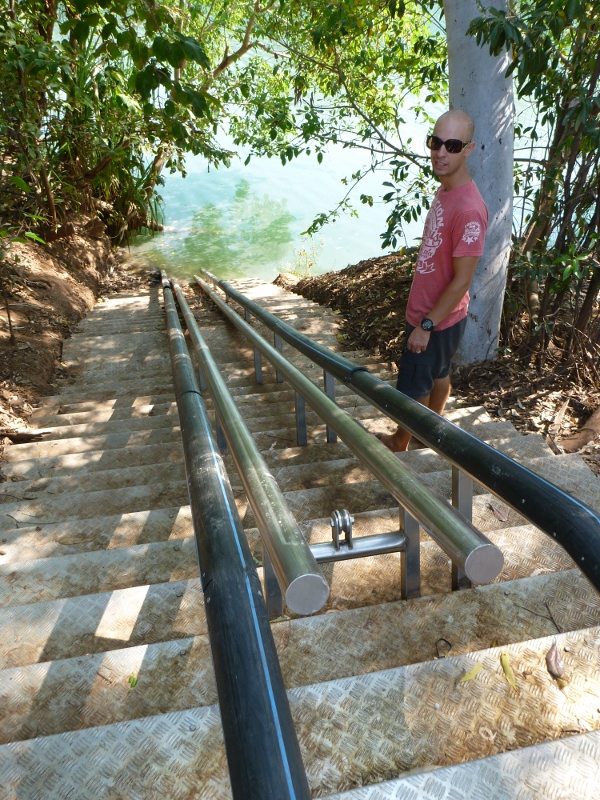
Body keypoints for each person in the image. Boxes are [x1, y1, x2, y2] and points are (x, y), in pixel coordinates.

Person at [380, 109, 488, 452]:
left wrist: (425, 325)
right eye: (436, 142)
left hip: (435, 319)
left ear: (468, 150)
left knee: (413, 388)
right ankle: (432, 431)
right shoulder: (447, 190)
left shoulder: (469, 209)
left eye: (452, 145)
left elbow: (462, 280)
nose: (441, 152)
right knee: (440, 374)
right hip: (446, 317)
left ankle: (401, 441)